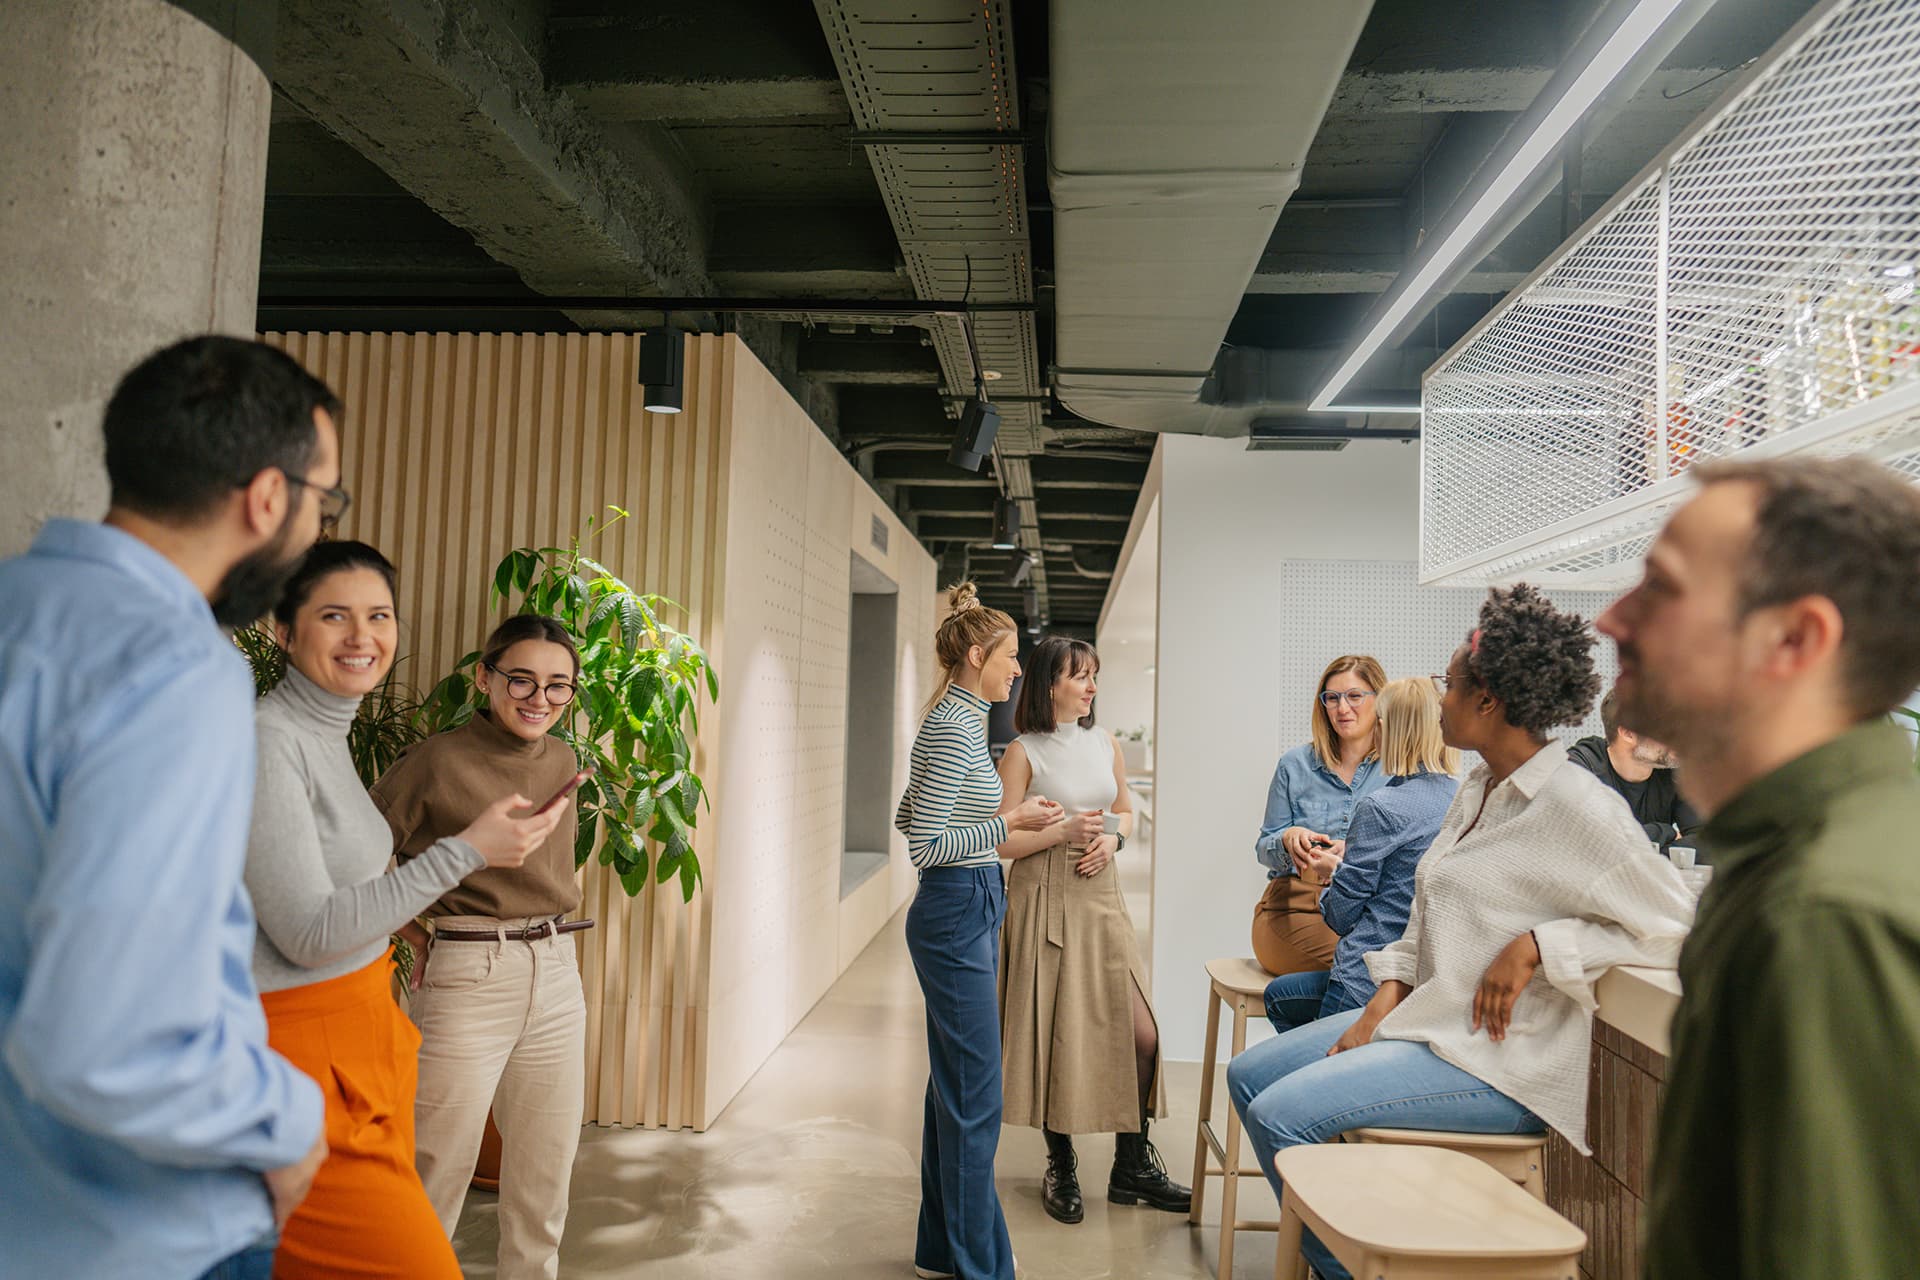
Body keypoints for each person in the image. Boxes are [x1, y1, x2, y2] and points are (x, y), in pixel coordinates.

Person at [1226, 584, 1693, 1280]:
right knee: (1248, 1075)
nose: (1436, 698)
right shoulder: (1476, 790)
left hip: (1499, 1065)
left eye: (1450, 683)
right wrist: (1384, 998)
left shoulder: (1575, 803)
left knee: (1282, 1114)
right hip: (1426, 1024)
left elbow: (1675, 925)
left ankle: (1346, 1272)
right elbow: (1422, 915)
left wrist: (1541, 946)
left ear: (1488, 700)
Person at [0, 336, 339, 1279]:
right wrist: (286, 1122)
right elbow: (105, 1039)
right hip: (141, 1231)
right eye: (325, 502)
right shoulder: (174, 668)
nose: (315, 530)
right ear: (268, 498)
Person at [1596, 458, 1920, 1280]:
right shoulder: (1797, 862)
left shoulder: (1824, 914)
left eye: (1660, 590)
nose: (1610, 618)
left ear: (1793, 639)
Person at [243, 542, 565, 1278]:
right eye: (334, 615)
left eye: (379, 615)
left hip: (365, 1039)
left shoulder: (326, 736)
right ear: (284, 630)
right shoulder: (270, 739)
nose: (363, 636)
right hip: (307, 1052)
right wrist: (468, 852)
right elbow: (308, 931)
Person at [373, 615, 588, 1280]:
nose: (539, 699)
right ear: (485, 677)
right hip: (469, 970)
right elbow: (358, 859)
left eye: (559, 687)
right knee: (437, 1167)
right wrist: (412, 930)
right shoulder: (437, 760)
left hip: (557, 971)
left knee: (545, 1171)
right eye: (522, 679)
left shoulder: (562, 758)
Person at [895, 584, 1062, 1280]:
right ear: (975, 655)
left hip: (968, 901)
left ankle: (944, 1249)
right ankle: (980, 1265)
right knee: (975, 1098)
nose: (1018, 670)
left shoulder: (957, 719)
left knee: (956, 1090)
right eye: (1010, 657)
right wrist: (1010, 825)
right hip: (957, 902)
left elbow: (908, 813)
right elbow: (924, 845)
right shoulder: (955, 728)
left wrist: (989, 830)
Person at [995, 636, 1191, 1225]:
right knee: (1060, 1030)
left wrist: (1115, 838)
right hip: (1043, 894)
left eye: (1094, 676)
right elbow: (1001, 841)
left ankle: (1131, 1167)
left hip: (1101, 891)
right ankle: (1062, 1164)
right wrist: (1060, 834)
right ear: (1050, 684)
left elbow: (1124, 808)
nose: (1092, 686)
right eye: (1081, 676)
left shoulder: (1105, 744)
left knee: (1142, 1036)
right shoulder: (1023, 752)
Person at [1262, 677, 1459, 1034]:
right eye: (1333, 698)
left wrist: (1332, 872)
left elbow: (1340, 916)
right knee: (1281, 994)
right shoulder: (1458, 797)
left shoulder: (1380, 806)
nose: (1346, 709)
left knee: (1289, 1056)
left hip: (1365, 978)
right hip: (1422, 975)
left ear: (1388, 728)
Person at [1251, 656, 1391, 976]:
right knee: (1370, 971)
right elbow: (1263, 849)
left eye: (1355, 696)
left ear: (1380, 700)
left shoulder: (1398, 772)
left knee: (1386, 968)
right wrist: (1286, 841)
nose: (1342, 708)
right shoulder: (1295, 765)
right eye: (1332, 698)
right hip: (1294, 910)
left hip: (1368, 913)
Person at [1566, 688, 1702, 855]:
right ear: (1628, 733)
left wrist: (1651, 855)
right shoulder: (1581, 767)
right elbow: (1589, 841)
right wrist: (1666, 831)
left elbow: (1708, 843)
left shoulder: (1673, 771)